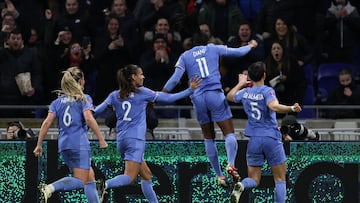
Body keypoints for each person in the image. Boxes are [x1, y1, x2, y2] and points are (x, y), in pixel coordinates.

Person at [162, 32, 258, 187]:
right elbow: (238, 52)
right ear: (207, 41)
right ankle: (231, 164)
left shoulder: (185, 56)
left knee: (208, 136)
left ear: (193, 43)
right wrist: (251, 46)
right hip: (215, 95)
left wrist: (163, 93)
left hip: (198, 98)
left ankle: (219, 176)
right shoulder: (213, 48)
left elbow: (175, 79)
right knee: (229, 133)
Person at [94, 64, 201, 202]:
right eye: (141, 74)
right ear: (133, 77)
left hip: (121, 140)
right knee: (129, 178)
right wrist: (189, 90)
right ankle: (105, 184)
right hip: (136, 141)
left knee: (146, 175)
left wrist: (82, 115)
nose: (143, 76)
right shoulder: (143, 93)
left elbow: (96, 111)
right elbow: (168, 99)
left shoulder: (114, 95)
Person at [226, 61, 302, 203]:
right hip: (271, 138)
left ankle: (242, 185)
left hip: (254, 140)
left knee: (254, 179)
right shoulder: (267, 91)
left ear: (249, 76)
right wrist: (291, 108)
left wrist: (241, 83)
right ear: (264, 75)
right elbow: (273, 106)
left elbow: (230, 96)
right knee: (280, 179)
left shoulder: (246, 92)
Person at [33, 67, 108, 203]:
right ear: (80, 81)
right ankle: (50, 188)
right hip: (79, 144)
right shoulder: (84, 99)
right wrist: (101, 139)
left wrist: (39, 144)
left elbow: (46, 123)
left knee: (90, 178)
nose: (85, 82)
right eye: (83, 79)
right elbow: (89, 119)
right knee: (80, 180)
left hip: (64, 145)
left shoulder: (57, 102)